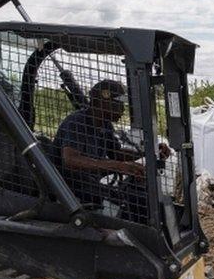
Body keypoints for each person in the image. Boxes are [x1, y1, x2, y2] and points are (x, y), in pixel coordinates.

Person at [53, 79, 170, 214]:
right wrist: (118, 166)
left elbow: (116, 153)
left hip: (90, 184)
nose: (123, 109)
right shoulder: (77, 122)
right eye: (119, 103)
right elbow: (70, 160)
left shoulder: (105, 125)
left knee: (139, 197)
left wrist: (150, 153)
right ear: (103, 102)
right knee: (121, 202)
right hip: (68, 189)